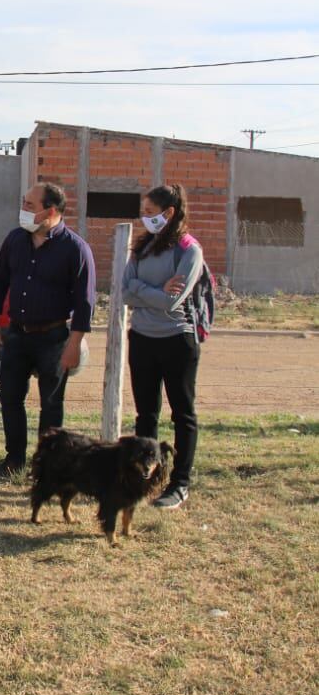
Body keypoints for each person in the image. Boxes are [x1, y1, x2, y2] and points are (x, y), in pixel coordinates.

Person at [0, 182, 95, 479]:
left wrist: (74, 343)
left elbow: (85, 303)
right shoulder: (15, 240)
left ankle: (47, 466)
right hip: (17, 334)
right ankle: (14, 460)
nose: (23, 210)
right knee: (10, 397)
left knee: (51, 402)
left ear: (51, 211)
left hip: (54, 338)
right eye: (23, 203)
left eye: (30, 206)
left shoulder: (75, 249)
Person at [122, 183, 204, 509]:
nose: (144, 217)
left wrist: (141, 289)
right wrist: (149, 290)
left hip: (176, 340)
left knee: (182, 414)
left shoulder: (188, 250)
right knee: (146, 415)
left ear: (168, 213)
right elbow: (124, 292)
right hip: (142, 338)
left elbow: (173, 302)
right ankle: (146, 476)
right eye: (142, 211)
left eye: (149, 212)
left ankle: (179, 483)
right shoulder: (143, 247)